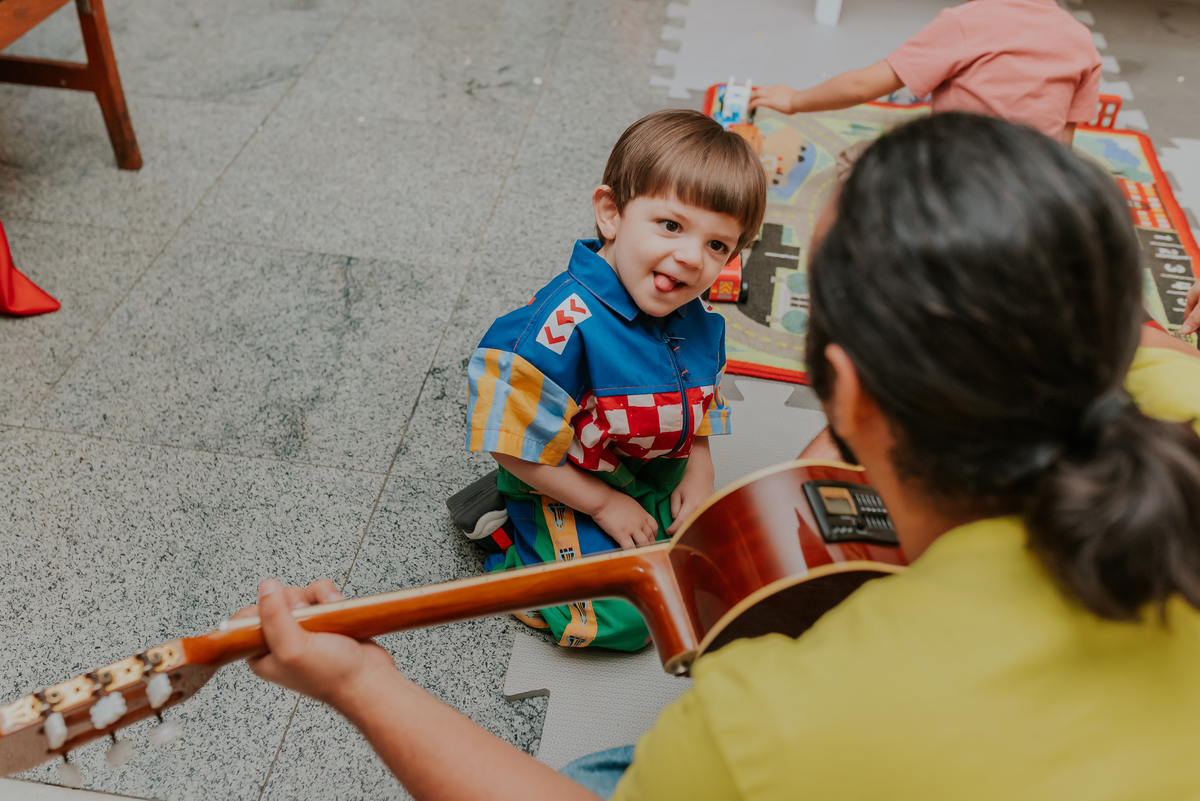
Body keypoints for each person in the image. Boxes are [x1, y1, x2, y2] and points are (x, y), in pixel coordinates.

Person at [235, 114, 1200, 800]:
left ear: (847, 393)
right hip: (586, 477)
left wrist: (363, 682)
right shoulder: (1174, 395)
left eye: (719, 245)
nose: (692, 262)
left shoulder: (773, 721)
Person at [463, 109, 765, 650]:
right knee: (622, 620)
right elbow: (510, 445)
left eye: (718, 245)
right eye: (671, 226)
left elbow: (707, 396)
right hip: (568, 474)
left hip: (652, 465)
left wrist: (702, 465)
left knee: (731, 558)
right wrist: (602, 504)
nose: (692, 258)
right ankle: (512, 537)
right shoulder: (556, 332)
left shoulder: (697, 316)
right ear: (610, 213)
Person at [750, 0, 1101, 146]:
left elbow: (860, 86)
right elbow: (1062, 147)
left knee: (858, 163)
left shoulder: (967, 21)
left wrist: (795, 99)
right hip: (1030, 194)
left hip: (949, 177)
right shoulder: (1083, 42)